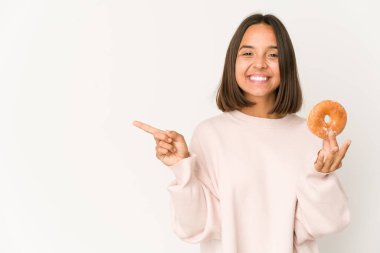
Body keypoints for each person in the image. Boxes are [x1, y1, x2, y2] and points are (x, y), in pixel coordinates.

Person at [133, 13, 351, 253]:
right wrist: (182, 169)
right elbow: (192, 227)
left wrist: (321, 177)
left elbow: (329, 223)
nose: (259, 63)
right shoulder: (210, 135)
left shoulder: (309, 137)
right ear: (232, 63)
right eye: (248, 53)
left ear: (286, 63)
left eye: (273, 54)